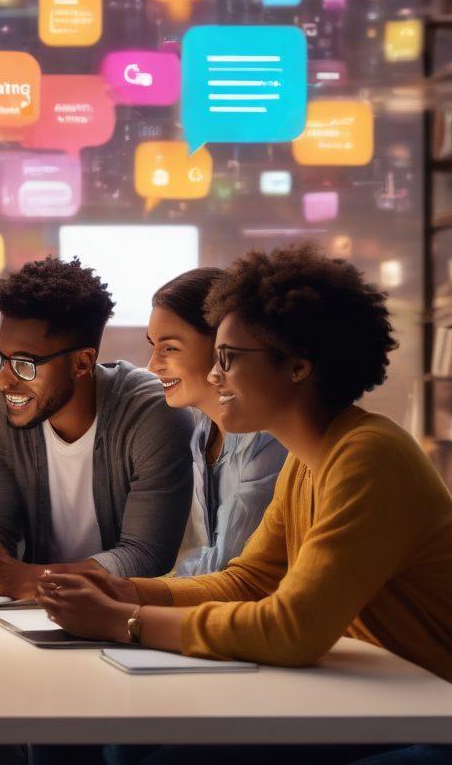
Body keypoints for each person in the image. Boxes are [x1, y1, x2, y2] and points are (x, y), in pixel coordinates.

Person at [39, 244, 452, 765]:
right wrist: (123, 588)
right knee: (126, 742)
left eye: (228, 359)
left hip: (429, 711)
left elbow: (291, 631)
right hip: (368, 691)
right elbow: (249, 580)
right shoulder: (310, 458)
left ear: (298, 366)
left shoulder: (369, 456)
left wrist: (125, 620)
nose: (214, 377)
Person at [0, 256, 194, 601]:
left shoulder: (151, 414)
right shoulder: (0, 406)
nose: (4, 380)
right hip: (41, 613)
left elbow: (146, 557)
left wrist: (25, 578)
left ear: (82, 362)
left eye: (25, 364)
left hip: (134, 615)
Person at [146, 268, 288, 576]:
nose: (153, 364)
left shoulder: (265, 436)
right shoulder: (202, 435)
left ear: (221, 342)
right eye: (152, 345)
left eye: (170, 347)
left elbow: (230, 567)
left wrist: (128, 593)